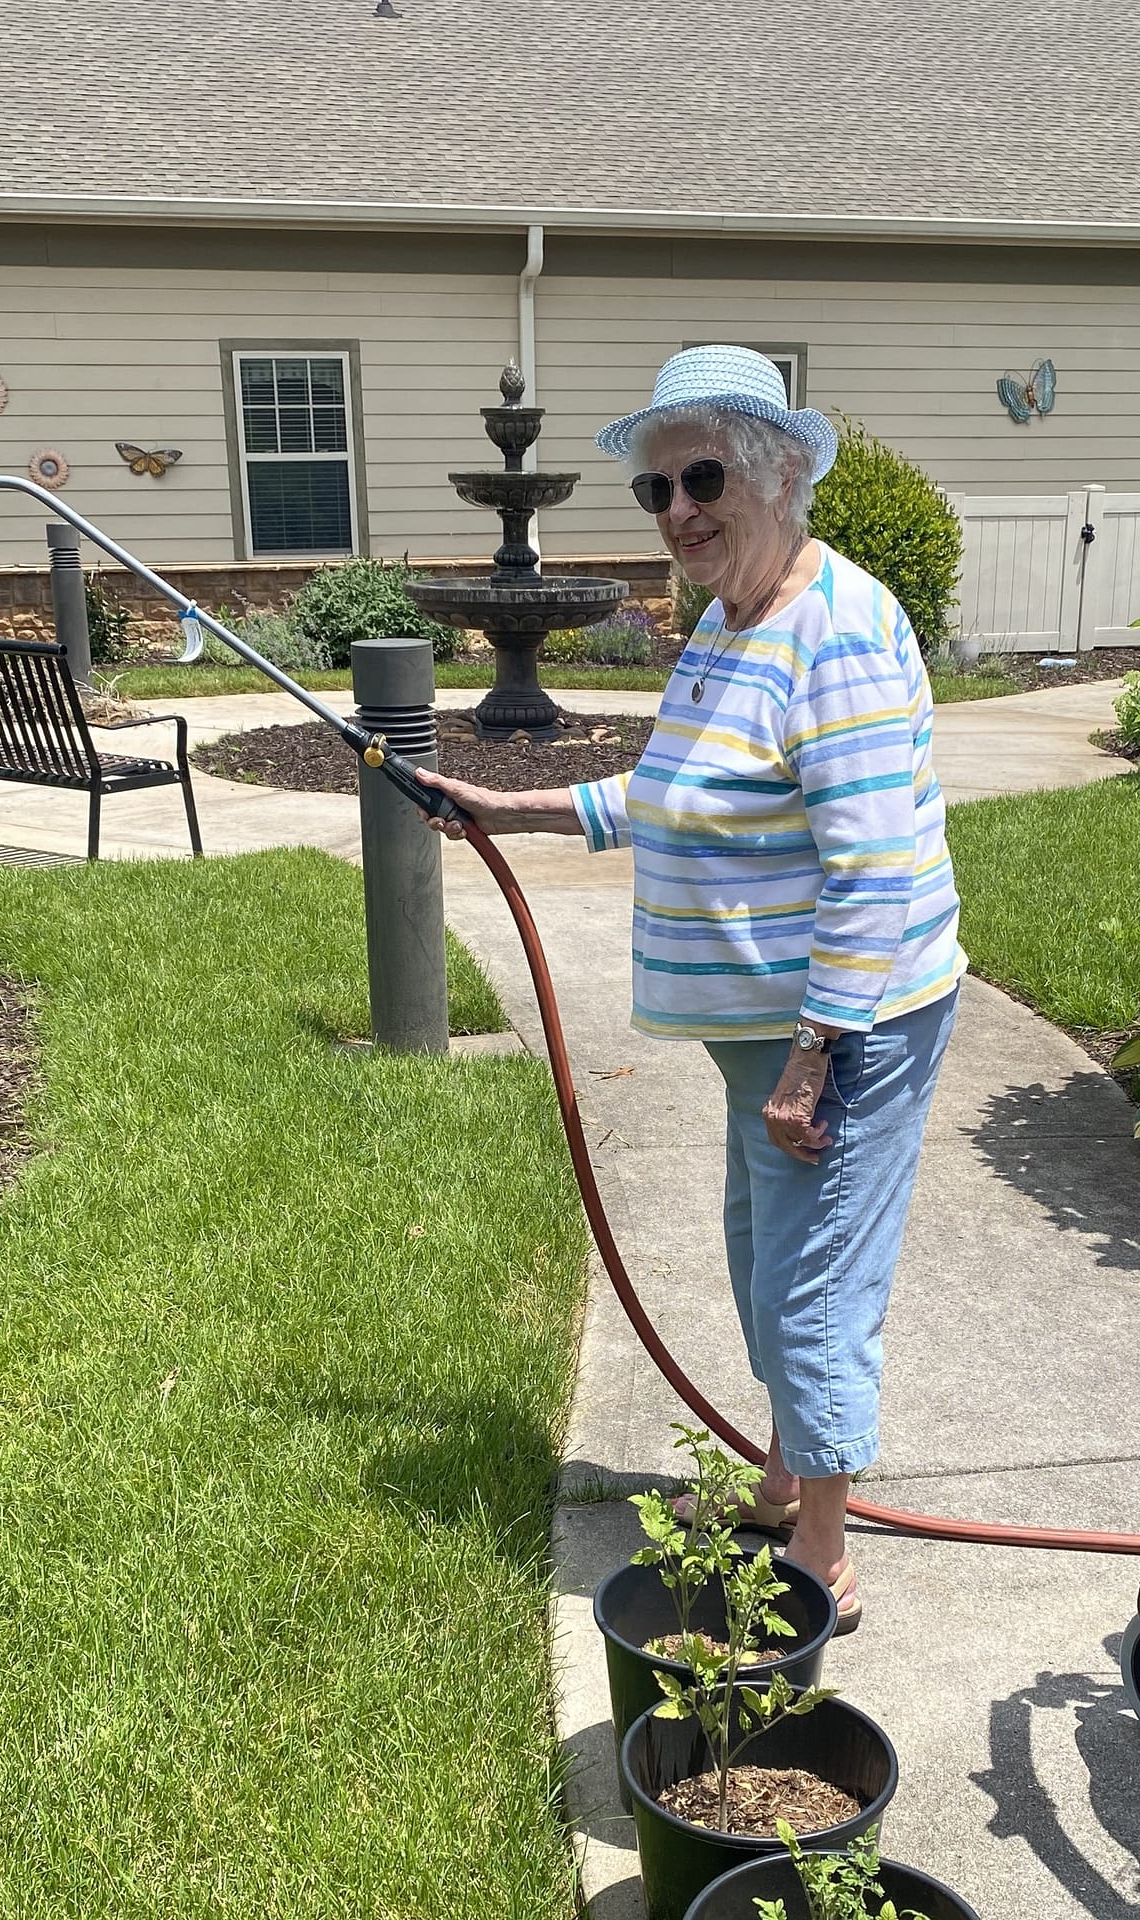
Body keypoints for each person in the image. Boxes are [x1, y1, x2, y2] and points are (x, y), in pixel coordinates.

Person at [418, 345, 966, 1631]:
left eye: (703, 476)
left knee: (814, 1283)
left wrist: (816, 1054)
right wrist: (524, 805)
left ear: (781, 473)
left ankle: (821, 1560)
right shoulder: (732, 620)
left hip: (844, 1027)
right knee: (760, 1256)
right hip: (764, 1035)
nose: (680, 512)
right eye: (657, 490)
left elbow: (873, 871)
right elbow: (680, 789)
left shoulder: (834, 632)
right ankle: (787, 1478)